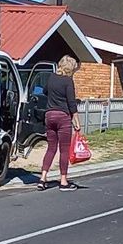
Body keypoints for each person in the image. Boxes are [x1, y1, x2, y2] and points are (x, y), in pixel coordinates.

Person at [38, 55, 81, 191]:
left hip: (49, 115)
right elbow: (71, 103)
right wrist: (77, 121)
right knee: (64, 150)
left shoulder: (51, 78)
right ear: (71, 69)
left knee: (51, 148)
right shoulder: (68, 81)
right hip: (63, 117)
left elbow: (44, 91)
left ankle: (42, 178)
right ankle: (63, 181)